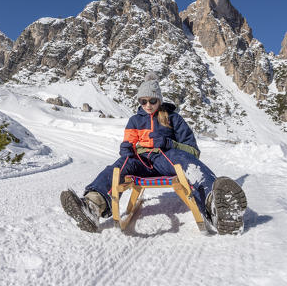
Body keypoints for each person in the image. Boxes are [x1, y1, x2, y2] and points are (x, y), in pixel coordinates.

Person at [60, 72, 247, 235]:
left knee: (187, 162)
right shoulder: (134, 120)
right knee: (118, 166)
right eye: (143, 101)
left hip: (166, 160)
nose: (148, 105)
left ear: (159, 99)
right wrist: (127, 149)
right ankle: (92, 206)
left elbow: (193, 151)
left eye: (152, 101)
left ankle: (214, 204)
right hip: (140, 162)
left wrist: (168, 143)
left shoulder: (173, 118)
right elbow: (128, 143)